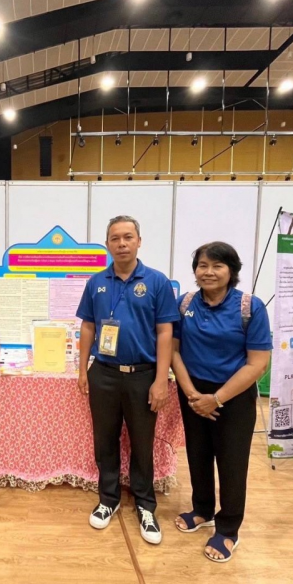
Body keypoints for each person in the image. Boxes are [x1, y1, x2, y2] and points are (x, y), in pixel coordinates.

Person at [76, 215, 179, 545]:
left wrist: (161, 380)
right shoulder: (96, 282)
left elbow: (165, 332)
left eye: (128, 237)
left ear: (139, 241)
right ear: (107, 244)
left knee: (142, 442)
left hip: (143, 376)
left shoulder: (157, 282)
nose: (121, 243)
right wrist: (82, 369)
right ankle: (108, 499)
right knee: (104, 441)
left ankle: (146, 505)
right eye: (115, 238)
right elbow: (88, 326)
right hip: (104, 374)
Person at [171, 242, 271, 563]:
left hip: (234, 396)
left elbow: (258, 364)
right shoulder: (185, 303)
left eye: (217, 266)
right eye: (202, 265)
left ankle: (228, 528)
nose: (209, 272)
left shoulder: (250, 307)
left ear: (232, 271)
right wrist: (192, 394)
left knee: (231, 462)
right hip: (192, 392)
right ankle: (202, 509)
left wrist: (216, 399)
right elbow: (173, 351)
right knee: (197, 455)